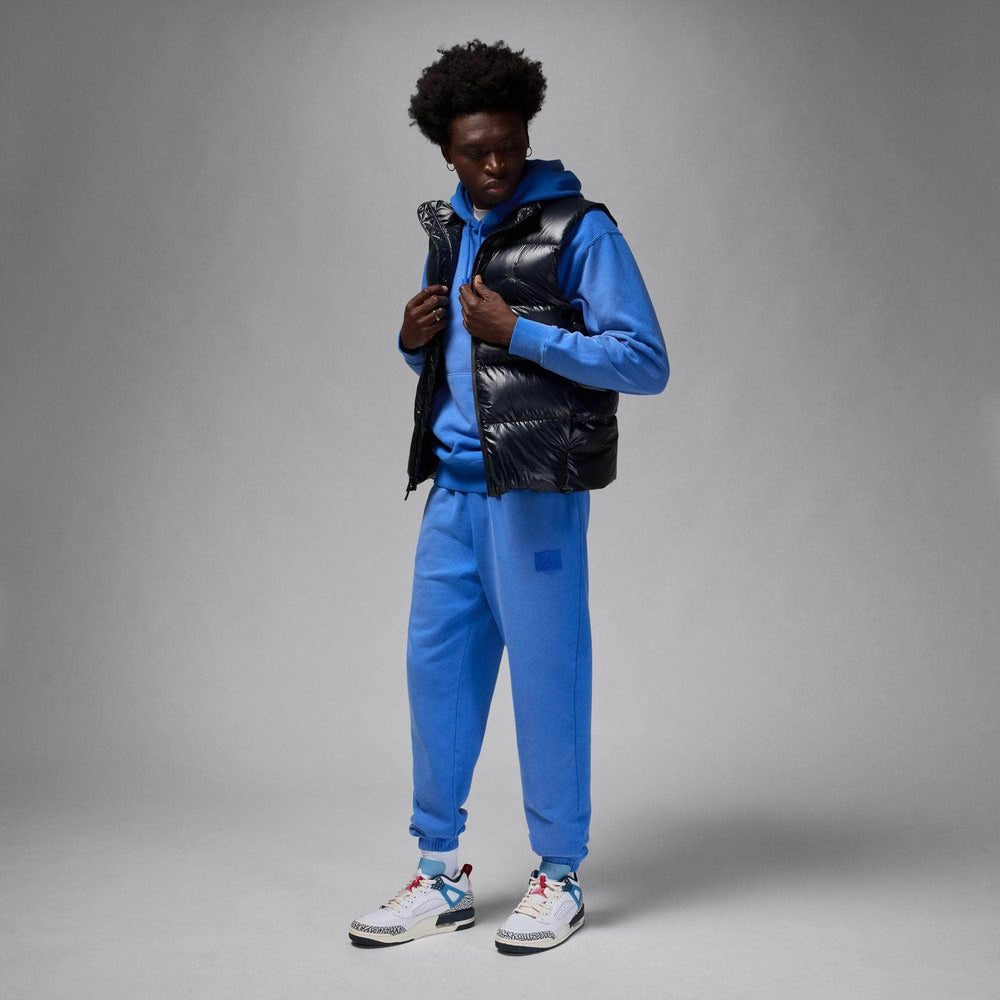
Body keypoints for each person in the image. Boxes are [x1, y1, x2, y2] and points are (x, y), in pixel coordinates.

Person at [349, 39, 669, 955]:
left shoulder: (579, 230)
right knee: (437, 679)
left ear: (528, 133)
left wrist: (519, 329)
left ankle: (559, 877)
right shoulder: (449, 231)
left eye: (509, 145)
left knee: (546, 678)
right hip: (451, 495)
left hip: (534, 494)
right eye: (474, 151)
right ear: (445, 150)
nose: (495, 165)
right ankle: (440, 873)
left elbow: (644, 361)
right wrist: (413, 341)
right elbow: (462, 371)